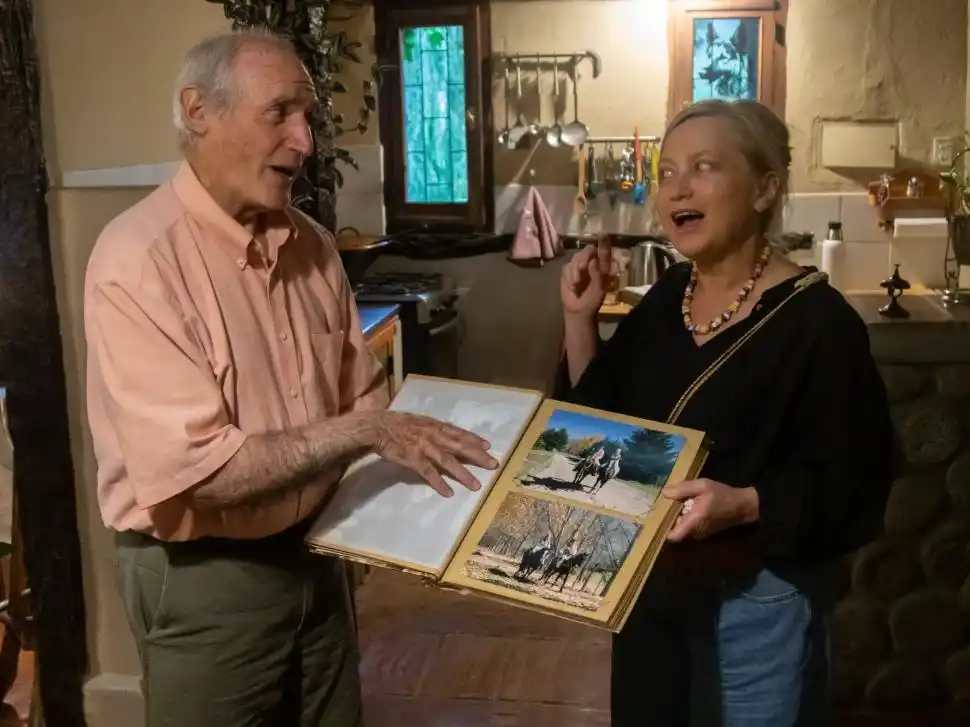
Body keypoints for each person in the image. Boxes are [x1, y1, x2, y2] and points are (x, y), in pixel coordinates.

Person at [83, 29, 497, 727]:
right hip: (201, 579)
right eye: (280, 113)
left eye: (307, 116)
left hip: (319, 556)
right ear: (199, 111)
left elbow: (363, 397)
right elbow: (196, 474)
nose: (305, 142)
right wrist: (366, 429)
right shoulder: (138, 260)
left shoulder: (311, 245)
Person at [559, 99, 894, 726]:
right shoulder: (664, 301)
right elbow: (597, 424)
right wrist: (580, 318)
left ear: (766, 188)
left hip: (756, 605)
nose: (678, 188)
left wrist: (744, 505)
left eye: (704, 167)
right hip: (648, 591)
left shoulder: (820, 325)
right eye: (668, 171)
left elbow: (857, 480)